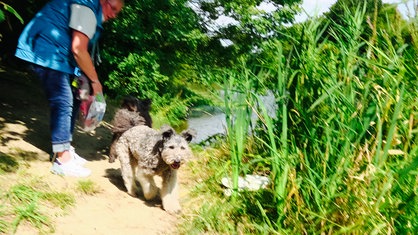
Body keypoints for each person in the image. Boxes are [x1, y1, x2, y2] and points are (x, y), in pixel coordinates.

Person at [14, 0, 124, 177]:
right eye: (112, 8)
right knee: (63, 101)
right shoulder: (87, 6)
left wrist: (84, 78)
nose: (113, 14)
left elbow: (79, 50)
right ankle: (62, 161)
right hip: (46, 50)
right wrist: (95, 82)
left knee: (73, 97)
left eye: (117, 12)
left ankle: (65, 148)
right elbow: (78, 49)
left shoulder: (92, 10)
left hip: (58, 55)